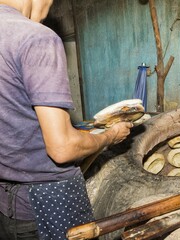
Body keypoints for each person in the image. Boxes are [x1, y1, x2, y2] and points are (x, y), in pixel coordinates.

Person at [0, 0, 133, 239]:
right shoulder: (36, 38)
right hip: (48, 204)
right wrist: (110, 137)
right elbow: (62, 148)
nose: (45, 13)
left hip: (6, 206)